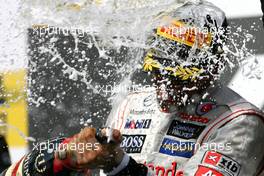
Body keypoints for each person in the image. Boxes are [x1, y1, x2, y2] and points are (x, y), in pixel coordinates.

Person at [2, 1, 264, 176]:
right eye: (160, 70)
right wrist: (68, 156)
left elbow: (119, 166)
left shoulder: (240, 123)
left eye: (180, 77)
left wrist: (120, 164)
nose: (166, 86)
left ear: (212, 69)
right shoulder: (131, 105)